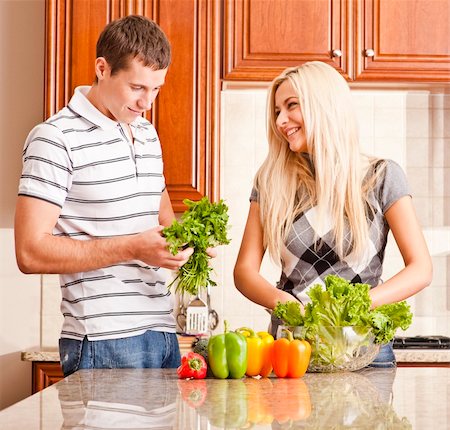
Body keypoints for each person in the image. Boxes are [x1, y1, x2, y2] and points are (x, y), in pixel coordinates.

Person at [15, 15, 198, 376]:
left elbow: (163, 222)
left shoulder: (146, 134)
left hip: (162, 334)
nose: (148, 102)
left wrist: (189, 239)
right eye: (137, 88)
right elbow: (29, 252)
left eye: (156, 89)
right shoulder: (54, 138)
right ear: (102, 68)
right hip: (102, 340)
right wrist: (132, 247)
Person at [233, 61, 432, 367]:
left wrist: (356, 306)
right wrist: (288, 304)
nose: (281, 121)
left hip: (364, 350)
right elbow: (244, 272)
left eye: (291, 106)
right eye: (276, 112)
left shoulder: (382, 176)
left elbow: (421, 268)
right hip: (293, 349)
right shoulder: (270, 180)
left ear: (322, 107)